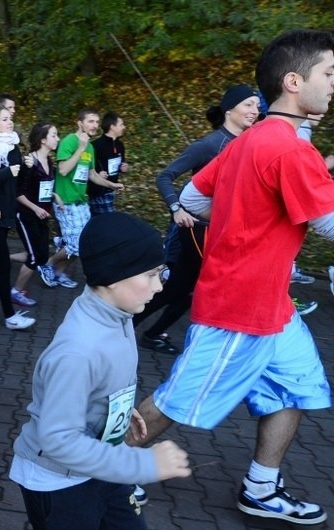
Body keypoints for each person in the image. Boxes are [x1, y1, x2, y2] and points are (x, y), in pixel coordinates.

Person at [131, 29, 334, 526]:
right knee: (176, 402)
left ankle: (260, 489)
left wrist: (246, 213)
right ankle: (97, 470)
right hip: (239, 309)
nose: (333, 85)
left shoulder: (251, 141)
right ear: (293, 81)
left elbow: (195, 201)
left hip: (273, 308)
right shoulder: (289, 150)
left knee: (298, 388)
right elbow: (329, 224)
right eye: (328, 74)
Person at [11, 213, 191, 530]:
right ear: (112, 277)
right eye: (150, 275)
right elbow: (59, 440)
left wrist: (116, 408)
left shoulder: (117, 312)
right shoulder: (78, 352)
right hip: (59, 483)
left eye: (160, 273)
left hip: (102, 464)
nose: (160, 285)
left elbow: (104, 379)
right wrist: (142, 464)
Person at [134, 85, 261, 354]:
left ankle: (150, 333)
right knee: (177, 288)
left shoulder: (251, 144)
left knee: (187, 290)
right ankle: (126, 326)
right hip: (191, 230)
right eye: (248, 105)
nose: (255, 110)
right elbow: (164, 176)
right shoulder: (209, 145)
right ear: (230, 110)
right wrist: (176, 209)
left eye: (257, 106)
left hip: (219, 231)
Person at [50, 109, 125, 289]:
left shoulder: (90, 147)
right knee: (77, 245)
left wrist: (111, 185)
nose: (94, 126)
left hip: (82, 201)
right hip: (66, 201)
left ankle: (58, 274)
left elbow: (92, 175)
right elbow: (63, 170)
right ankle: (46, 264)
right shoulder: (70, 141)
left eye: (97, 122)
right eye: (90, 121)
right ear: (80, 123)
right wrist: (81, 148)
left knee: (83, 243)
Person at [0, 103, 36, 329]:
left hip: (7, 212)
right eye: (3, 119)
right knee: (3, 263)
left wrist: (28, 168)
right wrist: (5, 172)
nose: (9, 122)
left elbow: (18, 185)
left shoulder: (13, 147)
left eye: (10, 118)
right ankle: (9, 316)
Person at [11, 123, 60, 293]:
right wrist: (35, 208)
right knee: (34, 257)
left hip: (42, 215)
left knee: (42, 254)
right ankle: (16, 292)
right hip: (25, 214)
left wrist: (55, 196)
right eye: (54, 135)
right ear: (43, 139)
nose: (58, 139)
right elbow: (18, 193)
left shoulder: (49, 161)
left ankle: (2, 260)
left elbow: (42, 186)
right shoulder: (29, 162)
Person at [89, 112, 129, 216]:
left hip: (112, 190)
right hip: (98, 192)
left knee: (101, 222)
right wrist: (98, 173)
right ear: (112, 127)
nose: (123, 127)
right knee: (106, 221)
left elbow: (120, 163)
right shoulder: (95, 146)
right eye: (121, 124)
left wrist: (123, 168)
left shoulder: (120, 145)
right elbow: (88, 168)